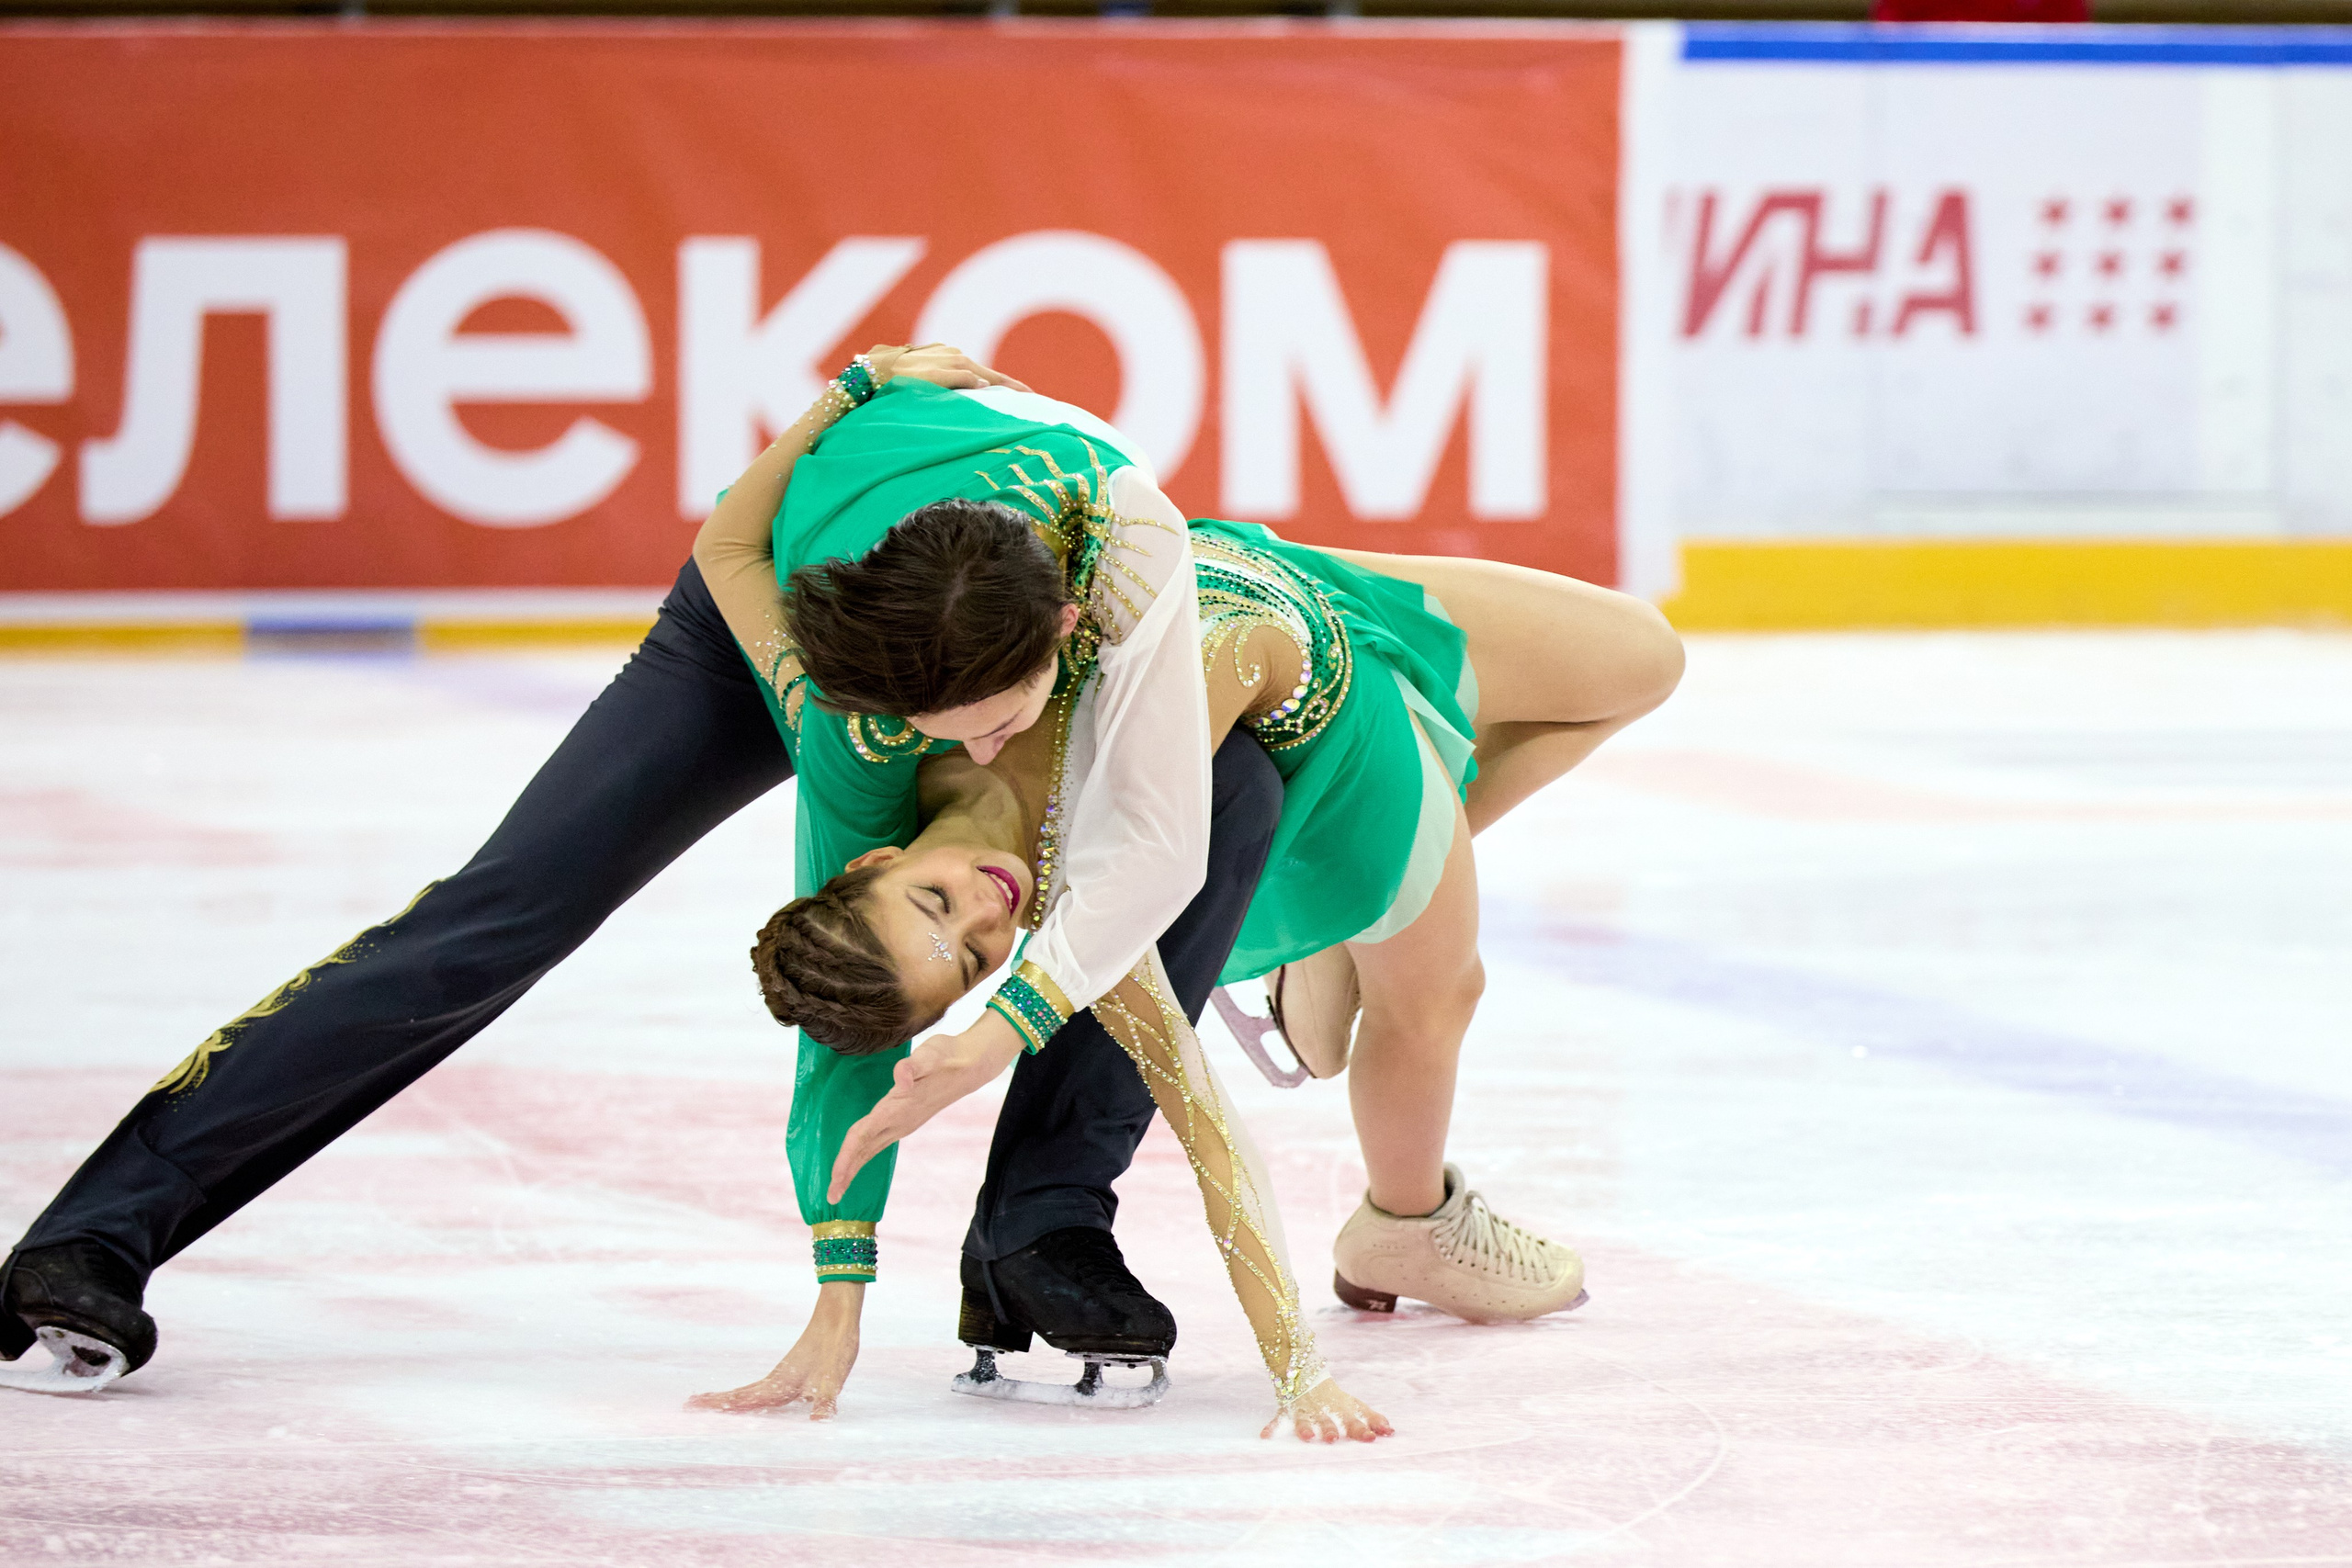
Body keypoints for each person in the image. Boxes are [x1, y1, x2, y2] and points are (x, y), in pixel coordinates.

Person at [0, 346, 1282, 1409]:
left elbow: (1154, 846)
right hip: (767, 629)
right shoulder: (855, 719)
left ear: (1066, 625)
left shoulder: (1130, 547)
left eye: (1000, 718)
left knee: (1226, 794)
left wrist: (993, 1030)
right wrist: (840, 1280)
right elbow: (849, 1000)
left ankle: (1041, 1220)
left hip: (971, 587)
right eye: (956, 729)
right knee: (502, 912)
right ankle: (96, 1228)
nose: (991, 752)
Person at [689, 372, 1682, 1437]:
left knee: (1644, 660)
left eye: (937, 899)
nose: (990, 907)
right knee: (1437, 995)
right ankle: (1407, 1219)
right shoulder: (1095, 867)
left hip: (1272, 575)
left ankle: (1329, 948)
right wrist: (840, 1293)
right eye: (980, 953)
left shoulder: (932, 708)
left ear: (866, 863)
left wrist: (853, 388)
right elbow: (1200, 1116)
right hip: (1347, 743)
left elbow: (726, 555)